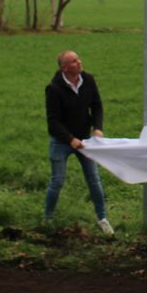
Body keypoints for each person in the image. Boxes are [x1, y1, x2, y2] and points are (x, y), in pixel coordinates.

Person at [44, 50, 114, 235]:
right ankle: (48, 218)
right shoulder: (54, 89)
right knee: (57, 181)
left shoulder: (88, 80)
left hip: (85, 141)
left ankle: (102, 219)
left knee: (94, 180)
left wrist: (97, 127)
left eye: (78, 59)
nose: (79, 62)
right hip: (61, 142)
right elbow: (53, 121)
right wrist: (70, 140)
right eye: (74, 61)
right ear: (65, 67)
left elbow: (97, 105)